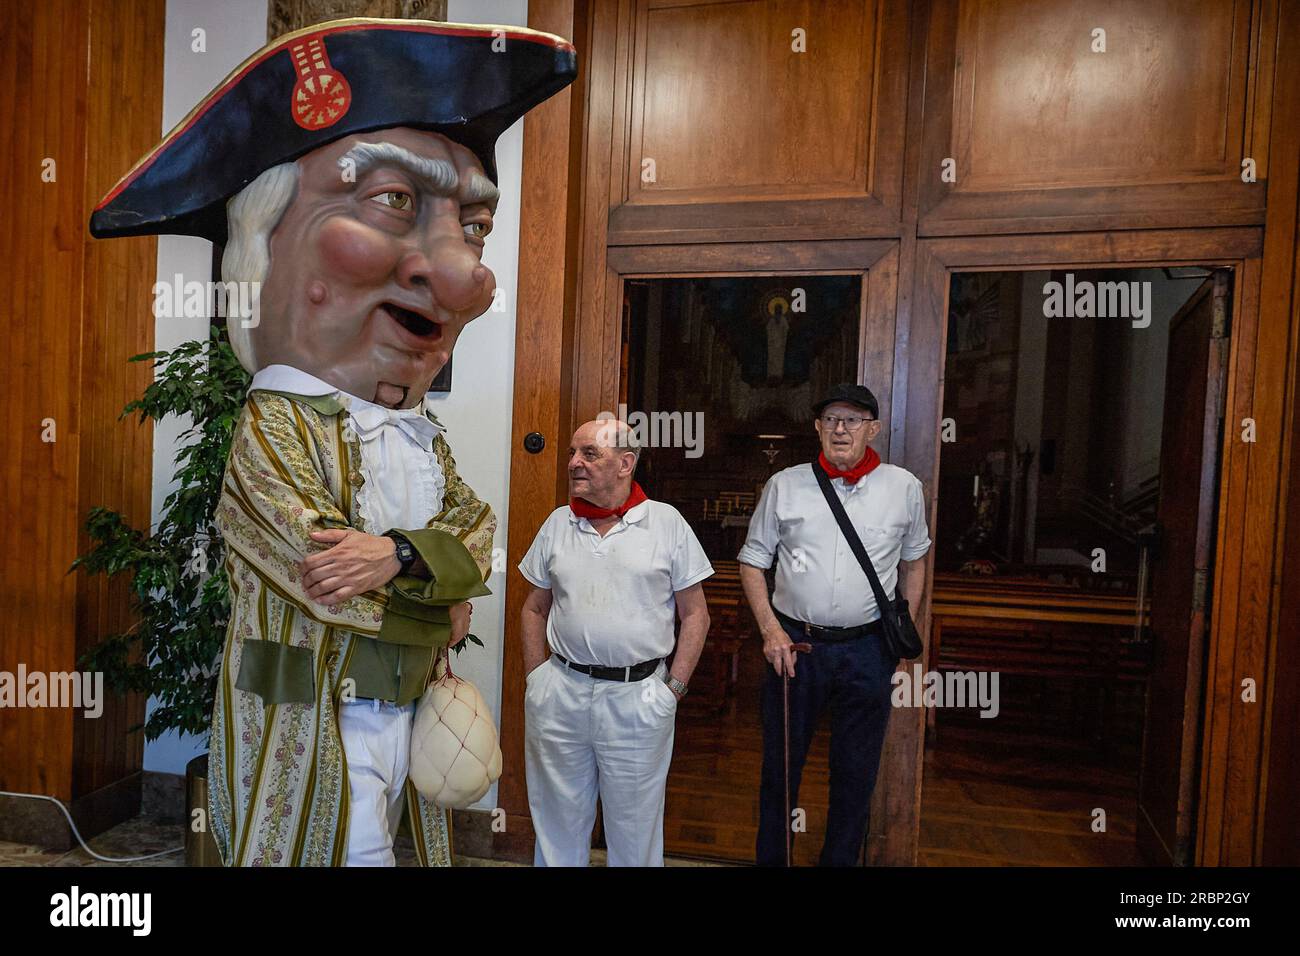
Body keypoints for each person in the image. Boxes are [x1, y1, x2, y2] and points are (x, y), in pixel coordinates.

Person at [89, 19, 577, 866]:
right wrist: (438, 582)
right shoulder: (270, 427)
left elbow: (481, 535)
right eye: (393, 200)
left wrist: (396, 556)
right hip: (303, 723)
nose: (465, 277)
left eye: (472, 225)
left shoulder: (420, 435)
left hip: (407, 714)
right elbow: (325, 577)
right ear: (263, 242)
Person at [737, 382, 931, 865]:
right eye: (831, 420)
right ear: (818, 428)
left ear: (874, 428)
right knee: (781, 770)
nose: (841, 429)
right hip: (795, 648)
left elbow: (915, 560)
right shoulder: (784, 484)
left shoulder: (903, 487)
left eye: (853, 420)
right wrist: (771, 631)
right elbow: (752, 561)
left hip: (867, 650)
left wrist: (898, 628)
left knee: (856, 772)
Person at [519, 419, 713, 866]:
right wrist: (536, 678)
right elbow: (533, 608)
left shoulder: (666, 523)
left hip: (639, 699)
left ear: (626, 463)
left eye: (589, 454)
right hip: (561, 694)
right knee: (556, 822)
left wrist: (673, 691)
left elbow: (696, 614)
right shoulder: (558, 522)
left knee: (635, 830)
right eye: (573, 452)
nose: (573, 464)